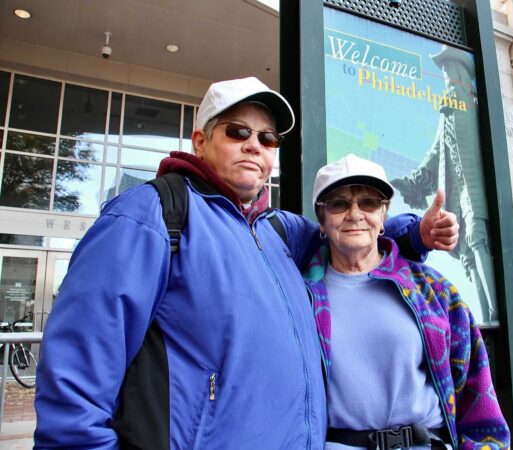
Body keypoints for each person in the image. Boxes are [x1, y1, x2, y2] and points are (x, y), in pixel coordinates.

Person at [33, 77, 460, 449]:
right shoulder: (151, 215)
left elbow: (351, 232)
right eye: (237, 131)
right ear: (200, 140)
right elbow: (75, 378)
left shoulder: (277, 230)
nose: (254, 146)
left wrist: (413, 233)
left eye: (268, 138)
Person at [303, 154, 510, 450]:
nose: (355, 213)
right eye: (338, 204)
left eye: (369, 203)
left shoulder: (433, 290)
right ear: (321, 221)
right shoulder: (301, 297)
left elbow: (477, 391)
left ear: (384, 216)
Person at [390, 45, 496, 323]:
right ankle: (488, 317)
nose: (447, 74)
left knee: (477, 237)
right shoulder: (450, 105)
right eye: (444, 69)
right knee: (468, 252)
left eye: (450, 68)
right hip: (459, 191)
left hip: (476, 188)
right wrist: (413, 182)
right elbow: (437, 152)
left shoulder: (467, 103)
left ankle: (495, 311)